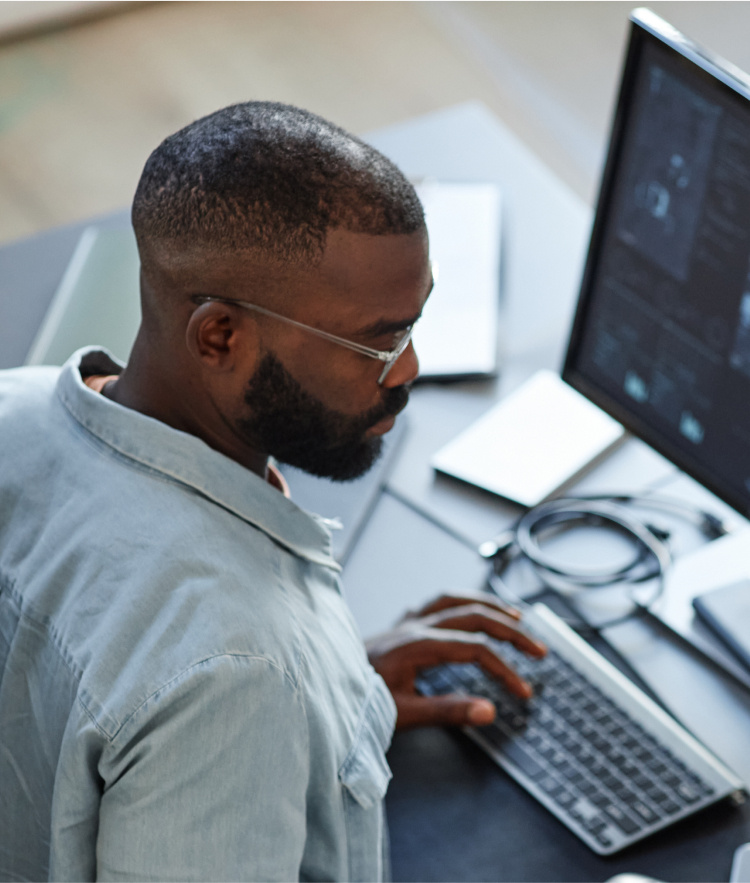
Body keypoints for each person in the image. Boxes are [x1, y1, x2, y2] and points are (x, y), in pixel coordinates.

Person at [0, 101, 545, 882]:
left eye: (416, 323)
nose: (411, 370)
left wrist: (331, 696)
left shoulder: (13, 408)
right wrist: (265, 704)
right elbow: (200, 677)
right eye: (378, 342)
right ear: (220, 335)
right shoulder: (236, 675)